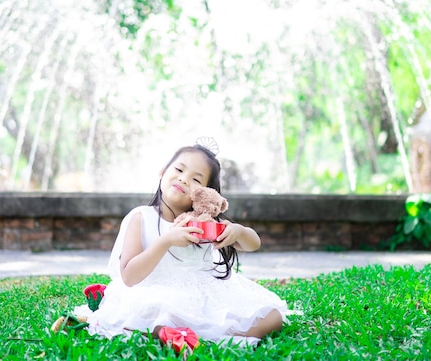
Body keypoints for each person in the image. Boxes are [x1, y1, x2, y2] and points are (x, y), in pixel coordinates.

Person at [68, 141, 288, 350]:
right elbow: (129, 276)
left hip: (201, 295)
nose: (184, 179)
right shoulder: (141, 217)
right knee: (152, 313)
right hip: (153, 292)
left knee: (272, 316)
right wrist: (166, 241)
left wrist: (238, 231)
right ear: (163, 172)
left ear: (206, 193)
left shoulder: (205, 223)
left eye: (196, 180)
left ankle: (219, 337)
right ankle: (180, 333)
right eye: (179, 170)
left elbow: (253, 244)